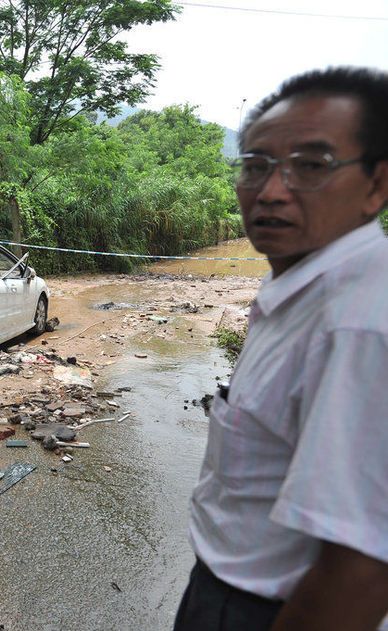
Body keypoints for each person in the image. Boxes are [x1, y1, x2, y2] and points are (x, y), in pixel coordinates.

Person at [173, 66, 388, 631]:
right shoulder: (297, 289)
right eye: (256, 166)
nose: (270, 191)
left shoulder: (360, 326)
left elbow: (362, 571)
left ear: (376, 185)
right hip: (222, 592)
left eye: (311, 167)